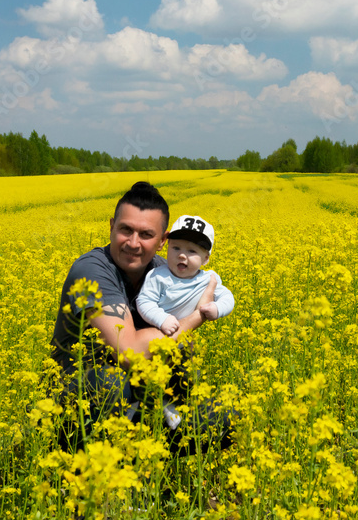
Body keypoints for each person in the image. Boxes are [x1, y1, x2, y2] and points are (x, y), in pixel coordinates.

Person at [50, 181, 233, 454]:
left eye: (146, 234)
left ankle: (151, 468)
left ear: (162, 241)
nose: (133, 243)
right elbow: (129, 352)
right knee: (112, 383)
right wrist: (198, 315)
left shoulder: (165, 271)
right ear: (111, 226)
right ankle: (85, 473)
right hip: (80, 393)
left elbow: (177, 341)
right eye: (125, 229)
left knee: (223, 416)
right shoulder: (92, 270)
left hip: (143, 391)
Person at [136, 214, 234, 338]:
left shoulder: (209, 279)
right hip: (155, 337)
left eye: (191, 251)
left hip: (185, 341)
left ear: (205, 259)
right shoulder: (158, 276)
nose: (182, 255)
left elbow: (227, 297)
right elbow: (144, 302)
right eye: (176, 248)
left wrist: (217, 308)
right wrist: (162, 319)